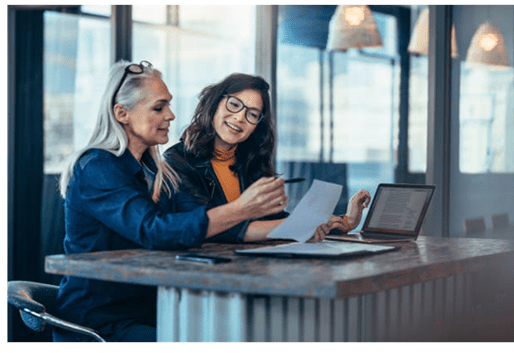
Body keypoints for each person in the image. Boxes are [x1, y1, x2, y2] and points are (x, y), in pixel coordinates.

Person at [54, 62, 287, 343]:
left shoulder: (152, 170)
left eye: (169, 106)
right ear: (122, 113)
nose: (171, 115)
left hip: (147, 310)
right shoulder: (97, 167)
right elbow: (155, 230)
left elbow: (186, 225)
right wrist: (242, 209)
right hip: (102, 322)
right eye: (158, 108)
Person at [164, 73, 371, 243]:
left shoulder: (250, 161)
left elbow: (275, 221)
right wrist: (297, 227)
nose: (239, 118)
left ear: (257, 125)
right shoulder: (177, 161)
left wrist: (345, 221)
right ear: (215, 103)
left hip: (252, 267)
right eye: (234, 104)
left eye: (252, 114)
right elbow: (208, 226)